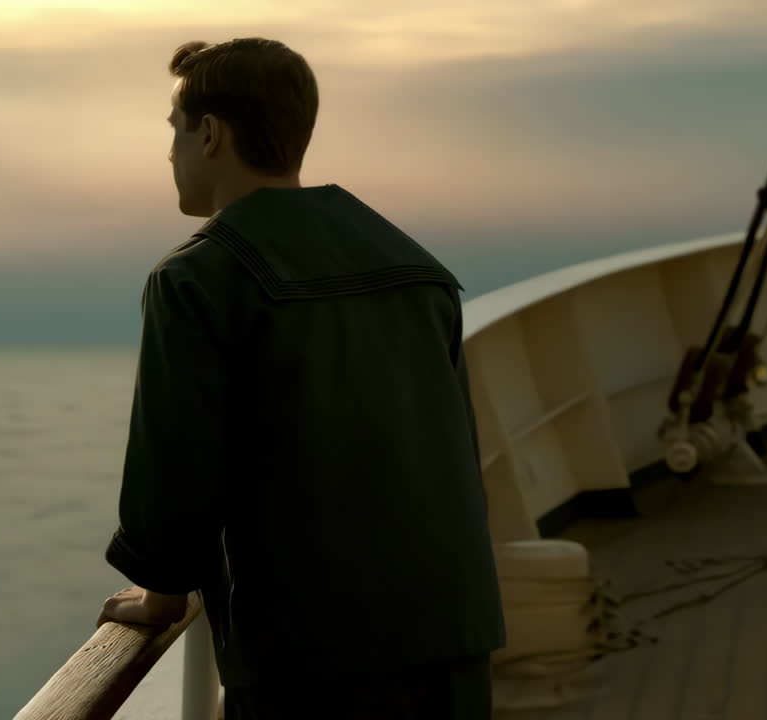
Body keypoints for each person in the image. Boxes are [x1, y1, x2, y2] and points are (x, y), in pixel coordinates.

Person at [94, 37, 506, 719]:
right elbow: (454, 451)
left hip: (310, 654)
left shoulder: (198, 277)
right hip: (453, 634)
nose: (170, 153)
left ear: (210, 133)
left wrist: (161, 594)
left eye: (175, 130)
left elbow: (172, 473)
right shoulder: (417, 267)